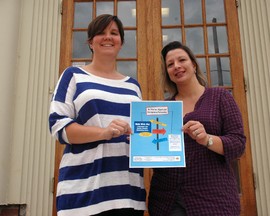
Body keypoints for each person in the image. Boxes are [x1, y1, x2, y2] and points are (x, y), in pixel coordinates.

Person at [49, 14, 146, 216]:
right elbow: (58, 126)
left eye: (114, 33)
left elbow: (142, 135)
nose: (108, 37)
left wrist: (162, 138)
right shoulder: (73, 76)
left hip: (128, 191)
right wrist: (104, 132)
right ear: (90, 42)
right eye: (101, 33)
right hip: (85, 191)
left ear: (121, 42)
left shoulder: (133, 86)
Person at [148, 41, 246, 216]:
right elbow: (157, 151)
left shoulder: (220, 97)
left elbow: (238, 144)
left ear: (193, 64)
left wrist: (207, 139)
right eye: (170, 64)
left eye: (182, 60)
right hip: (167, 201)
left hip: (214, 199)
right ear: (168, 73)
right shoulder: (163, 109)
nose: (176, 66)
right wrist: (143, 142)